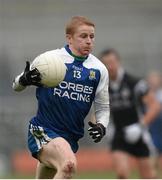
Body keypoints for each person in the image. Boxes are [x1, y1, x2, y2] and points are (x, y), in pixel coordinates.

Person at [12, 16, 110, 179]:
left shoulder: (99, 69)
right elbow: (16, 85)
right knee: (68, 166)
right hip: (43, 130)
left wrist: (101, 125)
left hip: (70, 137)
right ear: (69, 38)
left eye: (92, 37)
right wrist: (24, 80)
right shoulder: (49, 60)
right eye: (83, 36)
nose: (89, 41)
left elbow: (103, 107)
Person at [100, 48, 160, 179]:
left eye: (112, 62)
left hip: (139, 133)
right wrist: (102, 126)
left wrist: (141, 126)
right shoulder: (103, 87)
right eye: (106, 64)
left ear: (118, 62)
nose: (110, 66)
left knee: (148, 176)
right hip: (118, 134)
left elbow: (155, 105)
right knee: (121, 173)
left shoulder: (135, 83)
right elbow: (98, 109)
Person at [147, 71, 162, 175]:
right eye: (151, 80)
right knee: (152, 161)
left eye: (155, 79)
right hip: (153, 131)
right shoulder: (146, 96)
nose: (153, 82)